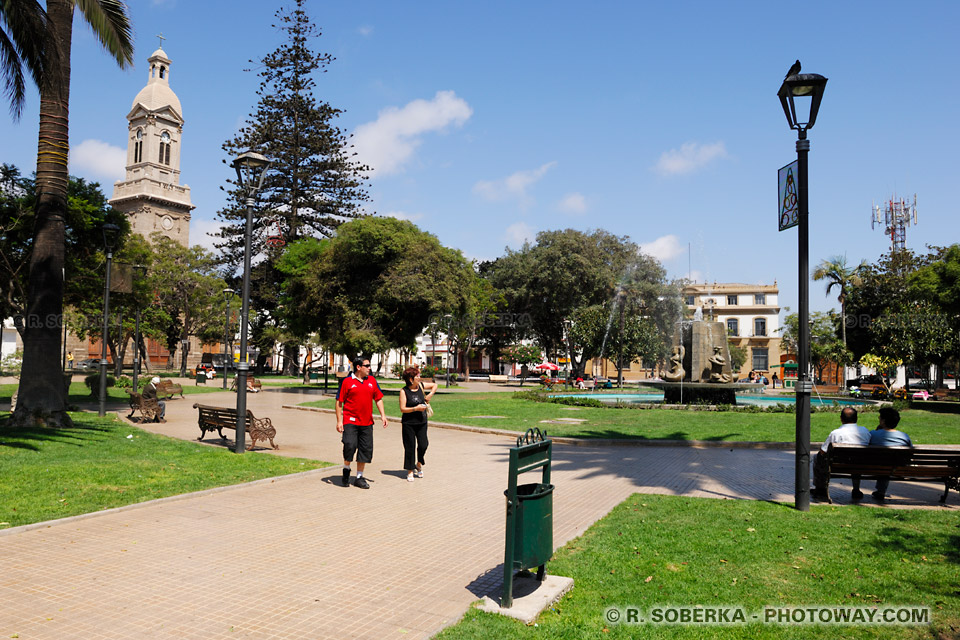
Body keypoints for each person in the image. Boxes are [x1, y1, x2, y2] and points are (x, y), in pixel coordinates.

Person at [336, 358, 388, 489]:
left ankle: (359, 477)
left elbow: (378, 399)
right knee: (349, 445)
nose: (370, 368)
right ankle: (346, 469)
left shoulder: (371, 381)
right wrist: (339, 421)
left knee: (365, 449)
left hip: (366, 422)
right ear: (358, 367)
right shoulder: (347, 382)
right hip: (350, 420)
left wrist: (383, 415)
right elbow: (339, 402)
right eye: (367, 366)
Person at [811, 406, 870, 500]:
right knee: (857, 459)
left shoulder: (836, 433)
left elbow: (823, 451)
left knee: (816, 457)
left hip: (838, 465)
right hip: (859, 465)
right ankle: (856, 489)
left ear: (841, 419)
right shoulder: (865, 432)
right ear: (856, 418)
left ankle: (820, 488)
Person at [398, 366, 437, 482]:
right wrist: (415, 408)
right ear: (410, 379)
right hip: (408, 423)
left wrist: (430, 395)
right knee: (410, 447)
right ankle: (410, 471)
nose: (419, 378)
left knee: (424, 444)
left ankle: (419, 463)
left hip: (422, 422)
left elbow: (435, 385)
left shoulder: (421, 386)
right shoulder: (404, 391)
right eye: (417, 376)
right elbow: (402, 409)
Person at [868, 407, 912, 501]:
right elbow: (910, 452)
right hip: (898, 467)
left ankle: (879, 491)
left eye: (880, 417)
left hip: (875, 466)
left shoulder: (872, 434)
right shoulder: (904, 436)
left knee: (883, 462)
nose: (878, 419)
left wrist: (877, 430)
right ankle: (881, 491)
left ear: (883, 421)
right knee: (888, 462)